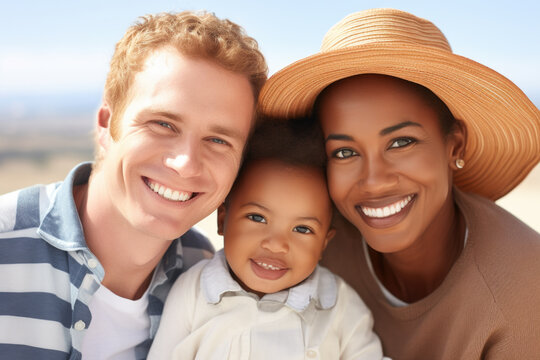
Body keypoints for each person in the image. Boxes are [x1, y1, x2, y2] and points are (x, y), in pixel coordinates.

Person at [258, 8, 540, 359]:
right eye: (345, 152)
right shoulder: (310, 239)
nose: (374, 181)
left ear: (455, 146)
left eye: (401, 142)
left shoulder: (526, 290)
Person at [0, 11, 267, 359]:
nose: (186, 164)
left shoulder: (208, 277)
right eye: (164, 124)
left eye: (218, 140)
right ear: (106, 125)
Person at [148, 120, 386, 359]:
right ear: (223, 220)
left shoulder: (339, 304)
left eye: (303, 229)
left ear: (324, 243)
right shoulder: (193, 292)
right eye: (257, 217)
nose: (276, 244)